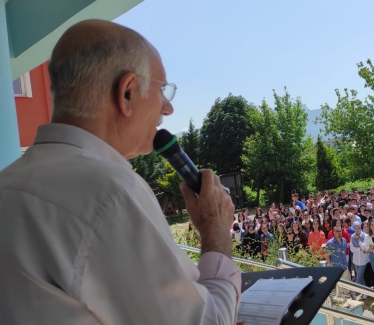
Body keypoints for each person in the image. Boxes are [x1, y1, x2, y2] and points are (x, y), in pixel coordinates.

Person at [0, 20, 241, 324]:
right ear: (126, 93)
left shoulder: (7, 183)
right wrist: (216, 230)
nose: (168, 109)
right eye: (162, 90)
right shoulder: (110, 192)